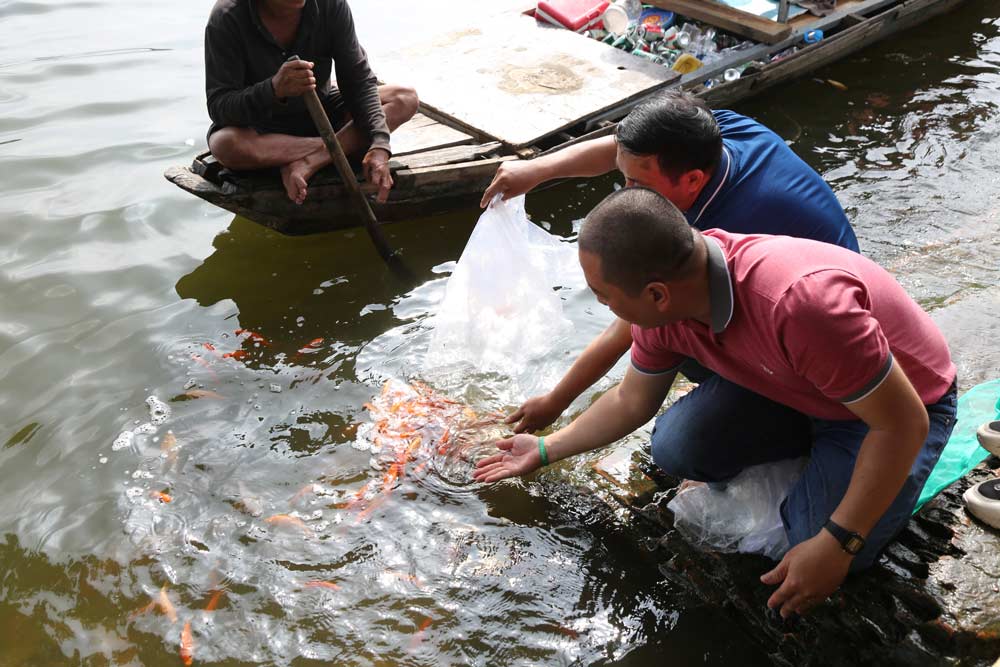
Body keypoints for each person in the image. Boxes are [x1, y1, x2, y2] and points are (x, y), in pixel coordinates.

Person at [474, 187, 958, 618]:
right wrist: (545, 449)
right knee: (677, 447)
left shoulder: (799, 304)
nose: (603, 307)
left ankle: (855, 482)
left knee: (824, 545)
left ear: (657, 294)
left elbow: (902, 423)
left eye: (603, 296)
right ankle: (820, 457)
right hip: (793, 387)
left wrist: (839, 542)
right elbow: (630, 399)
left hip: (895, 408)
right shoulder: (670, 304)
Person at [481, 91, 860, 434]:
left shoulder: (724, 231)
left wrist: (555, 401)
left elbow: (629, 324)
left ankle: (783, 418)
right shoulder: (712, 132)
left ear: (692, 180)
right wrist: (540, 169)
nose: (627, 191)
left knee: (669, 335)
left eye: (639, 185)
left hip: (825, 333)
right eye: (625, 177)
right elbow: (624, 151)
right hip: (823, 286)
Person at [204, 0, 419, 205]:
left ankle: (312, 160)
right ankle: (340, 146)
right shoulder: (227, 16)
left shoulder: (331, 5)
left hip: (323, 112)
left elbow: (358, 82)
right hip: (264, 129)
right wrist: (273, 90)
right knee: (225, 144)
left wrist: (380, 143)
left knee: (404, 98)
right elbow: (219, 106)